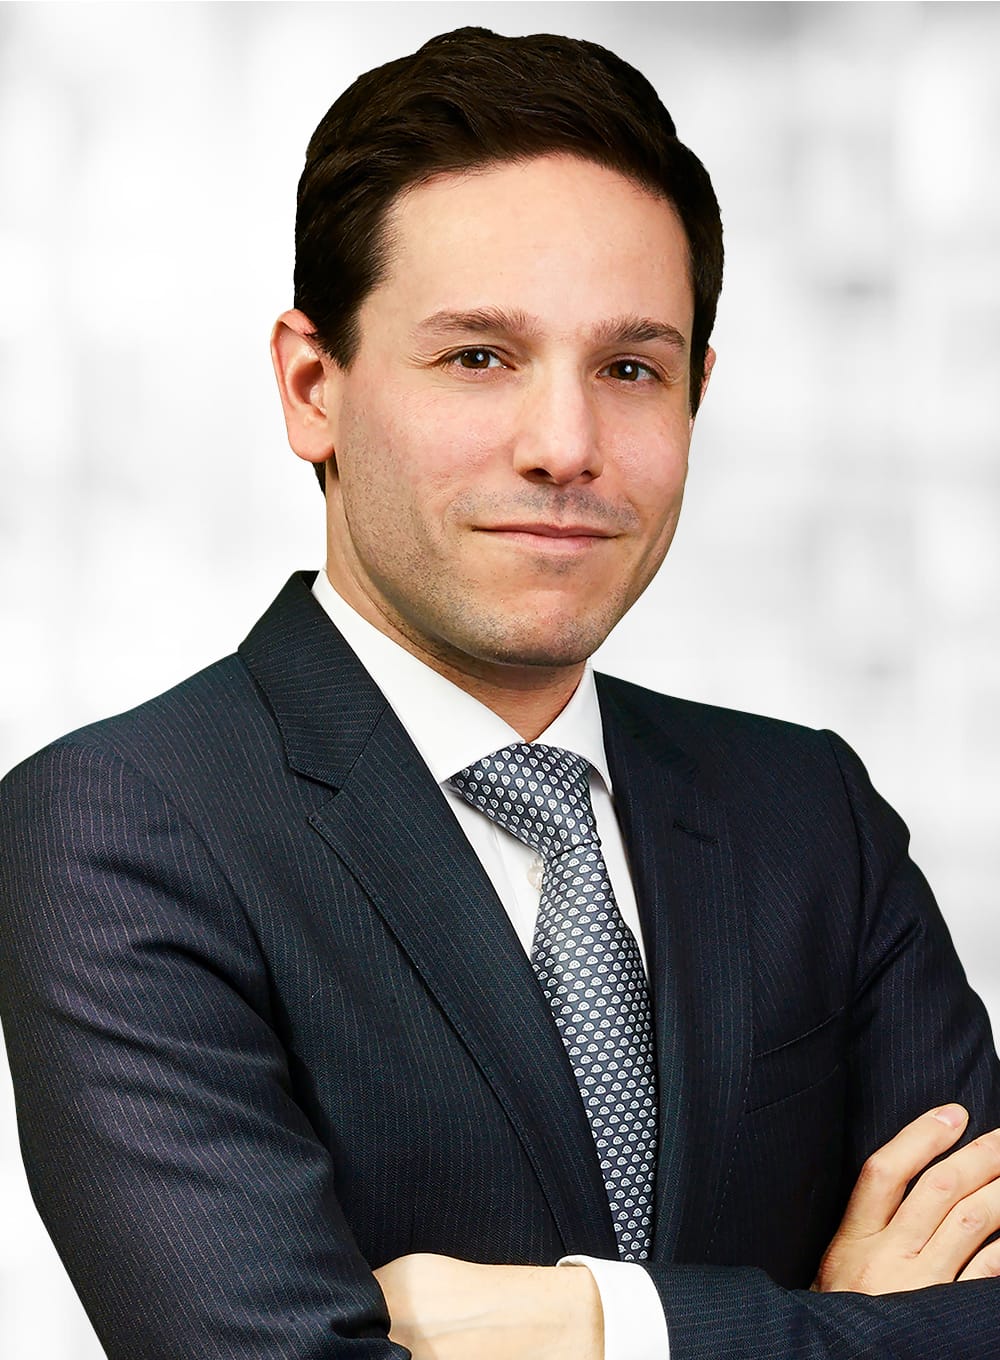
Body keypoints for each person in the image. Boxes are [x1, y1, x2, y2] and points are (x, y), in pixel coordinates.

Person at [2, 24, 999, 1360]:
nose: (566, 446)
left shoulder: (809, 811)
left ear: (696, 397)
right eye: (478, 356)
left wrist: (608, 1325)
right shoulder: (121, 830)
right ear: (312, 387)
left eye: (630, 368)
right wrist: (843, 1329)